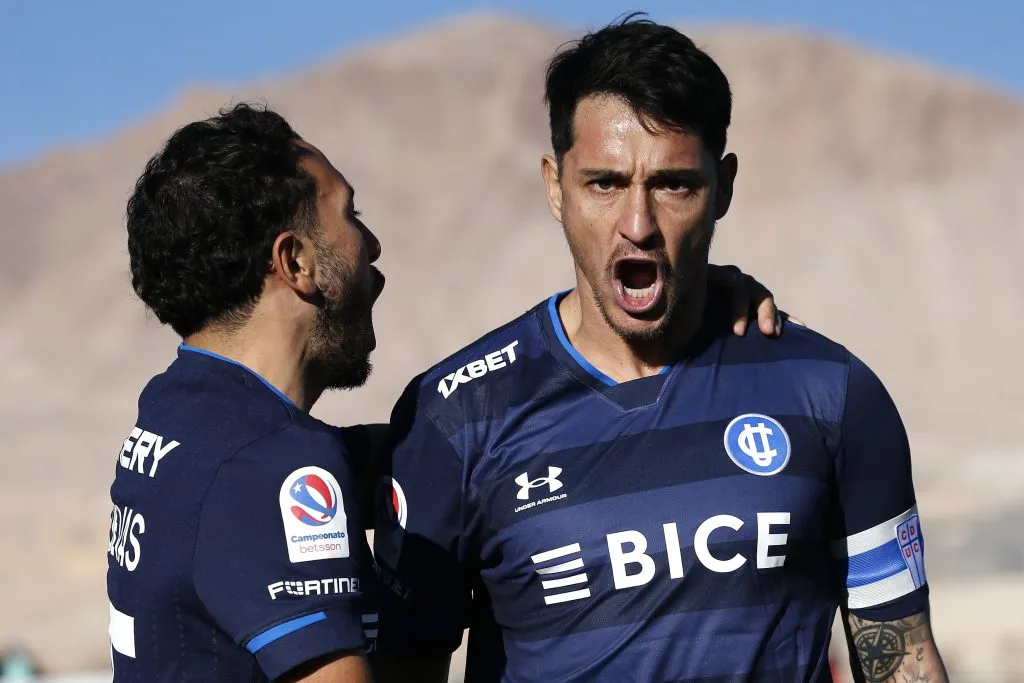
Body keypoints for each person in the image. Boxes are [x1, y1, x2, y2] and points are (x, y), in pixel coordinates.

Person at [371, 15, 948, 683]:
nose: (638, 225)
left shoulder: (833, 394)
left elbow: (900, 656)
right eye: (605, 183)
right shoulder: (458, 414)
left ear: (723, 187)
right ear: (555, 187)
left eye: (673, 184)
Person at [108, 103, 383, 682]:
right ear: (296, 261)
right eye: (350, 215)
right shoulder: (270, 462)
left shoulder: (178, 407)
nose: (373, 246)